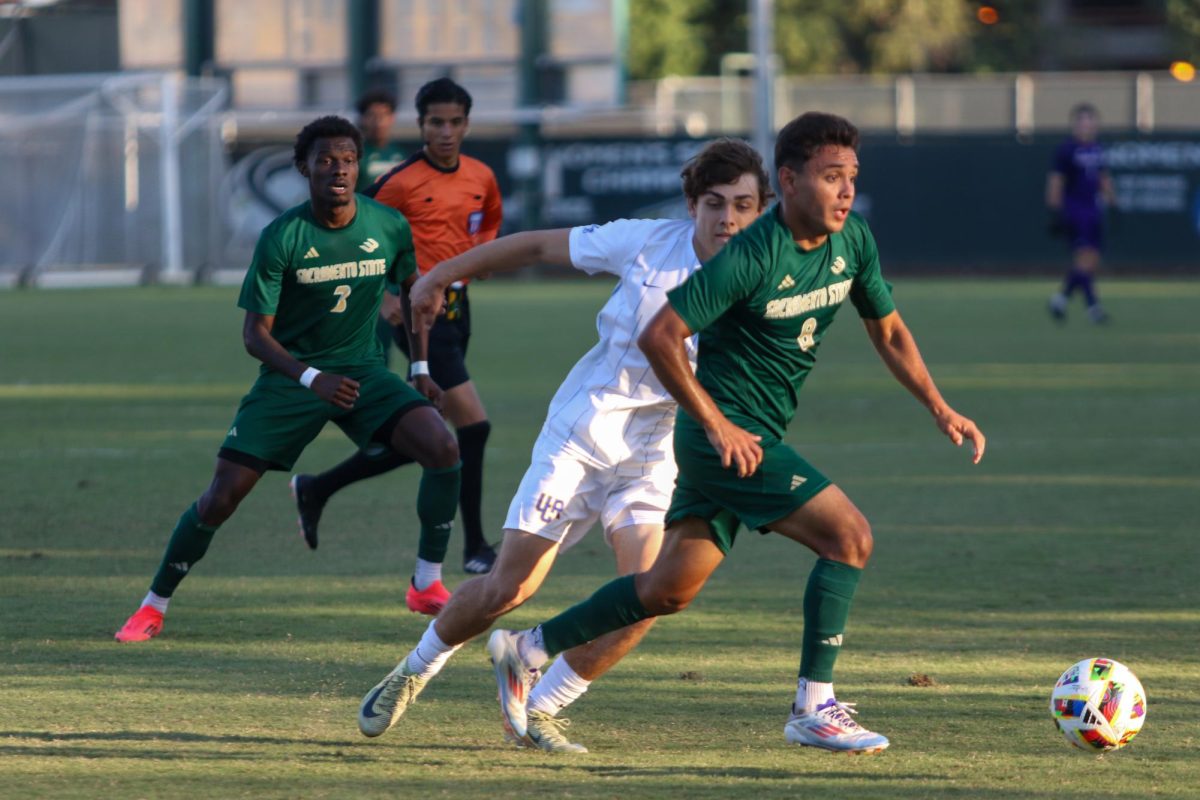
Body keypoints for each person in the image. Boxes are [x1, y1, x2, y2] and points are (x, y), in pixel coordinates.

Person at [486, 112, 987, 755]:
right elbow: (659, 335)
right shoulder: (751, 255)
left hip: (750, 438)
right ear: (790, 179)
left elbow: (887, 330)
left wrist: (940, 408)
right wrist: (717, 424)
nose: (844, 191)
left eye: (851, 177)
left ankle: (527, 649)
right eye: (831, 177)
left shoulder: (853, 242)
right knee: (849, 538)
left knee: (667, 590)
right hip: (721, 442)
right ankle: (814, 706)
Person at [355, 138, 771, 752]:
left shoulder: (763, 280)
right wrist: (442, 273)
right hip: (584, 434)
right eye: (715, 203)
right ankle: (413, 671)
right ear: (691, 204)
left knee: (649, 595)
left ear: (762, 210)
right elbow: (539, 244)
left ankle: (540, 704)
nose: (728, 219)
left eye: (743, 205)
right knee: (509, 589)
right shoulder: (648, 242)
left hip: (658, 454)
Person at [114, 116, 462, 642]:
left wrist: (419, 369)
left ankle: (426, 584)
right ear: (304, 168)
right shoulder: (282, 237)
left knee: (442, 447)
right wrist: (311, 378)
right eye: (325, 160)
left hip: (364, 371)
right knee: (221, 497)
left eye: (347, 159)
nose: (338, 170)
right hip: (291, 378)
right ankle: (152, 605)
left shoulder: (388, 225)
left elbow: (415, 295)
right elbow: (254, 335)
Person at [291, 78, 502, 579]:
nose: (445, 132)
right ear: (421, 125)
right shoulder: (400, 182)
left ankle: (317, 488)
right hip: (418, 315)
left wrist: (482, 256)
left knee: (423, 439)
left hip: (459, 309)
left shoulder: (481, 175)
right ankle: (474, 546)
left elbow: (490, 217)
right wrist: (387, 296)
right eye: (436, 123)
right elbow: (352, 230)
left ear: (467, 125)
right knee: (474, 425)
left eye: (454, 123)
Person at [1046, 103, 1116, 324]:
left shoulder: (1096, 148)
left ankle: (1060, 299)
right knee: (1084, 258)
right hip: (1075, 210)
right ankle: (1093, 307)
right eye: (1083, 120)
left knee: (1091, 261)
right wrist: (1056, 210)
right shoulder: (1067, 150)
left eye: (1091, 120)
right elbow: (1056, 182)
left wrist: (1113, 200)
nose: (1087, 125)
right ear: (1075, 124)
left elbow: (1103, 178)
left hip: (1093, 210)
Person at [355, 89, 404, 193]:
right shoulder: (355, 155)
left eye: (383, 115)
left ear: (392, 118)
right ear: (362, 119)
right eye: (372, 115)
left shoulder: (402, 155)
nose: (378, 122)